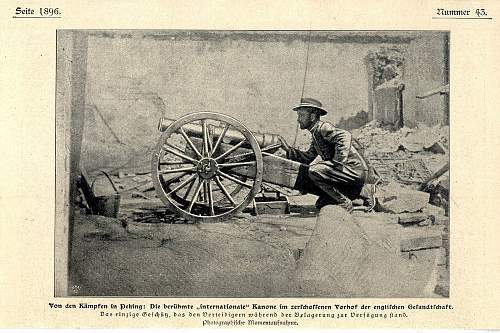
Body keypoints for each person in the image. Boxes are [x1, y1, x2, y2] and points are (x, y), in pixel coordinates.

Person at [278, 97, 375, 213]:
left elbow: (345, 136)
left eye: (301, 116)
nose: (298, 120)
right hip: (345, 172)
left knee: (315, 170)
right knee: (321, 204)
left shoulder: (324, 128)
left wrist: (338, 162)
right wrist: (287, 149)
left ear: (313, 116)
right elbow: (308, 158)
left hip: (353, 170)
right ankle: (362, 192)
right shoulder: (315, 135)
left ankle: (344, 201)